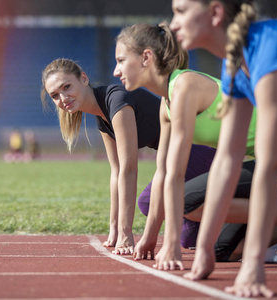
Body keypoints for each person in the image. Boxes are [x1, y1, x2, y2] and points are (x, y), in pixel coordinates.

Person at [170, 0, 277, 297]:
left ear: (215, 12)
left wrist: (252, 265)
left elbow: (270, 164)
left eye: (181, 11)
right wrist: (205, 249)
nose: (173, 24)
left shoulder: (271, 44)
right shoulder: (234, 63)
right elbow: (228, 157)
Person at [41, 58, 217, 255]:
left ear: (83, 79)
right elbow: (115, 171)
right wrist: (114, 229)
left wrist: (126, 233)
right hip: (180, 156)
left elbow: (129, 169)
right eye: (55, 95)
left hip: (198, 149)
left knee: (149, 202)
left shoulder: (117, 101)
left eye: (66, 87)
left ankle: (240, 211)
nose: (63, 98)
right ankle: (237, 227)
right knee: (190, 239)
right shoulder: (101, 115)